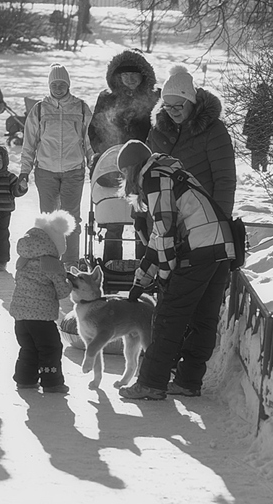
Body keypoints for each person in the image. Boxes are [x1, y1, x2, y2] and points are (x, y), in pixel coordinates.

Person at [114, 140, 237, 400]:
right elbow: (159, 237)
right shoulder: (170, 172)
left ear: (132, 167)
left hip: (199, 249)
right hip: (222, 247)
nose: (124, 178)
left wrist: (164, 277)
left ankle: (150, 383)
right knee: (204, 318)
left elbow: (165, 232)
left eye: (124, 172)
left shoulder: (154, 178)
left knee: (168, 317)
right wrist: (140, 280)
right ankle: (188, 381)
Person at [18, 64, 94, 268]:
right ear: (49, 85)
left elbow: (89, 140)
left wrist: (93, 161)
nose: (58, 88)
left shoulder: (80, 107)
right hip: (46, 171)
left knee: (71, 217)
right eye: (55, 84)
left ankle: (71, 262)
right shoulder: (40, 109)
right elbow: (29, 142)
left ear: (68, 85)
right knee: (48, 218)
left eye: (62, 84)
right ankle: (50, 259)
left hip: (73, 170)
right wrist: (24, 171)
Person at [88, 48, 160, 262]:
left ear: (143, 76)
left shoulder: (154, 98)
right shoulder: (107, 99)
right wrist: (103, 152)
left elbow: (160, 130)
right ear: (116, 76)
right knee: (113, 222)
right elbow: (94, 130)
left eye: (134, 74)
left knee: (142, 220)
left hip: (144, 165)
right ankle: (110, 268)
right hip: (113, 165)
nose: (129, 79)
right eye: (124, 74)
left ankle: (143, 267)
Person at [147, 64, 236, 220]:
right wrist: (143, 216)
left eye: (178, 106)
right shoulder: (158, 130)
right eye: (167, 106)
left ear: (191, 101)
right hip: (166, 218)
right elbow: (147, 174)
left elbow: (224, 179)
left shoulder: (213, 130)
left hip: (203, 216)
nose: (172, 111)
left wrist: (220, 219)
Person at [9, 210, 76, 394]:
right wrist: (70, 283)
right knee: (50, 348)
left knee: (28, 348)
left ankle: (25, 379)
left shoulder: (23, 260)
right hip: (41, 318)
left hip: (21, 317)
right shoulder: (51, 263)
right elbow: (62, 291)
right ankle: (52, 381)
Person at [242, 82, 273, 172]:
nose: (260, 92)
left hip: (264, 133)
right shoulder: (255, 102)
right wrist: (248, 129)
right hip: (255, 132)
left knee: (263, 151)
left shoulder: (269, 103)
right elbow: (249, 117)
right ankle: (255, 170)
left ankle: (264, 169)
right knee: (255, 152)